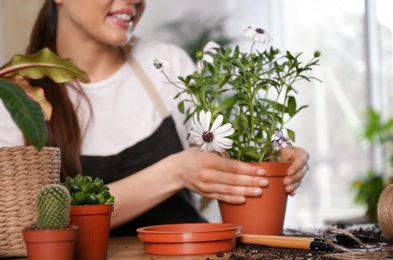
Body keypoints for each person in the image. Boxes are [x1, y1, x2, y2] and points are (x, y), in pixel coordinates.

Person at [0, 0, 309, 236]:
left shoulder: (167, 64)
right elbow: (24, 223)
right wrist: (175, 172)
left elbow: (224, 147)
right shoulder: (16, 95)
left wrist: (276, 153)